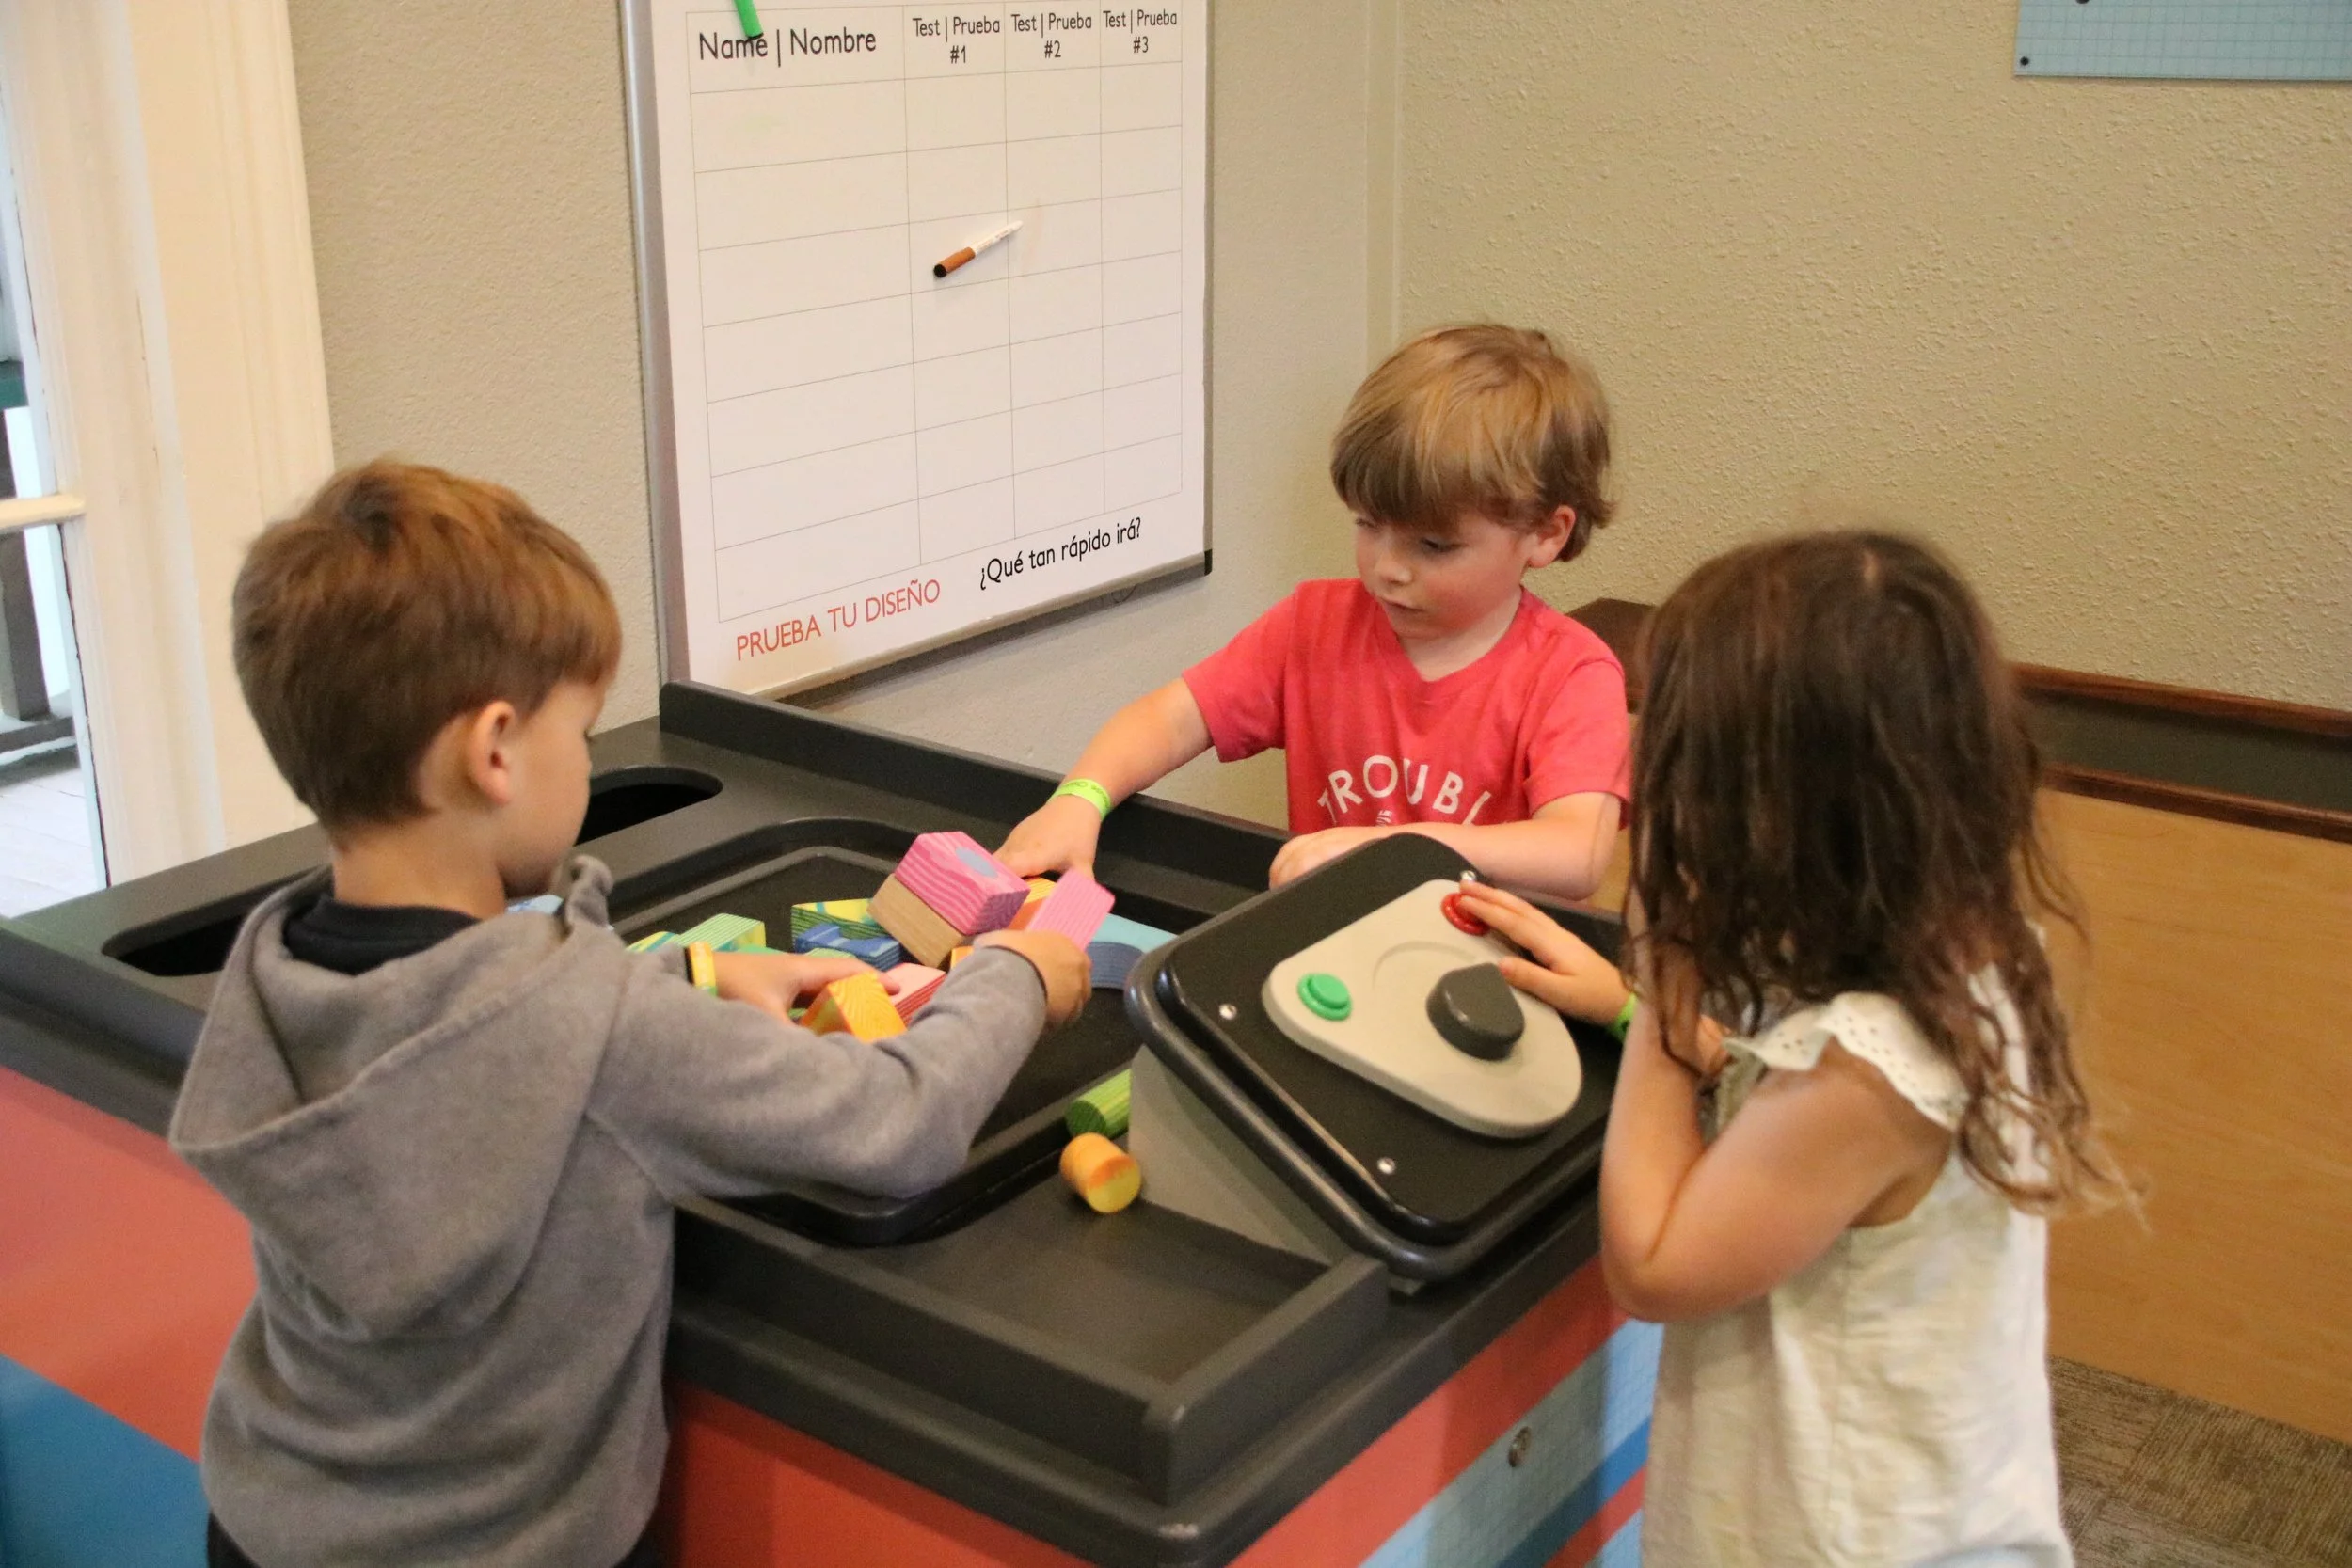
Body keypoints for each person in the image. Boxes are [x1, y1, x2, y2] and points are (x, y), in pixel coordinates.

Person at [168, 461, 1088, 1568]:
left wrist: (692, 978)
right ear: (494, 749)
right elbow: (901, 1121)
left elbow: (461, 1023)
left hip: (267, 1523)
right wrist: (1019, 972)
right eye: (584, 732)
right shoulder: (599, 1032)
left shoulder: (275, 973)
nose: (588, 763)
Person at [1456, 531, 2120, 1565]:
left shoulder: (1870, 1069)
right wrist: (1635, 1009)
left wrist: (1664, 986)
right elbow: (1780, 1120)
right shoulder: (1965, 950)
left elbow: (1652, 1263)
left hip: (1847, 1535)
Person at [999, 325, 1631, 901]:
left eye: (1433, 545)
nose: (1388, 566)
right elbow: (1167, 719)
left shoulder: (1572, 673)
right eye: (1368, 525)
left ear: (1545, 535)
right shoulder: (1313, 626)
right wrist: (1079, 799)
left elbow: (1576, 853)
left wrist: (1388, 848)